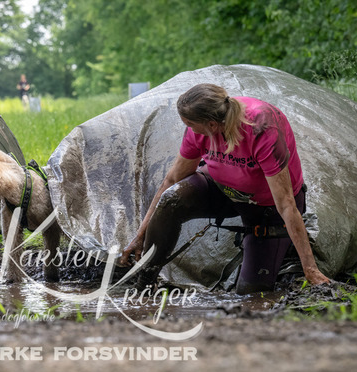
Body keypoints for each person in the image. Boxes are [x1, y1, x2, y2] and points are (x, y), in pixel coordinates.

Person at [119, 83, 330, 294]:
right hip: (223, 189)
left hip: (267, 207)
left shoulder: (262, 129)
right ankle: (144, 284)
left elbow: (286, 204)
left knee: (251, 294)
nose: (189, 129)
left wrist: (310, 269)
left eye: (190, 124)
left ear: (212, 125)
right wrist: (141, 234)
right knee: (172, 198)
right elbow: (172, 179)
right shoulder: (199, 131)